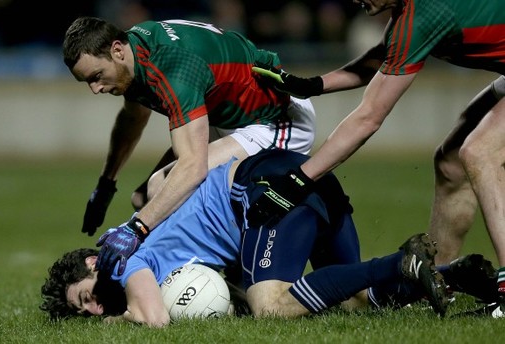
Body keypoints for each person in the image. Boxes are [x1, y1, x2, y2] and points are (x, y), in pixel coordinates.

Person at [248, 0, 505, 314]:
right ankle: (437, 284)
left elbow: (368, 118)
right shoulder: (410, 15)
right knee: (451, 165)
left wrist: (299, 180)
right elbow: (380, 59)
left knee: (480, 152)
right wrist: (313, 85)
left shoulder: (424, 14)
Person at [41, 149, 455, 324]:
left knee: (271, 307)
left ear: (95, 263)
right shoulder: (147, 226)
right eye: (86, 312)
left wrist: (117, 319)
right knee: (354, 301)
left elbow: (156, 321)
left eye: (86, 298)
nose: (95, 310)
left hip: (265, 192)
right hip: (301, 174)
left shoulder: (124, 257)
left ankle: (400, 262)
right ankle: (461, 276)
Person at [62, 17, 317, 273]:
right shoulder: (132, 54)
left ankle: (212, 278)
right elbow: (133, 117)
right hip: (227, 114)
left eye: (96, 76)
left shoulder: (174, 69)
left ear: (116, 50)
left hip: (276, 119)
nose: (95, 89)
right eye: (87, 82)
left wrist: (135, 229)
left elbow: (193, 168)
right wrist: (107, 183)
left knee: (163, 185)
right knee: (143, 198)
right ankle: (185, 275)